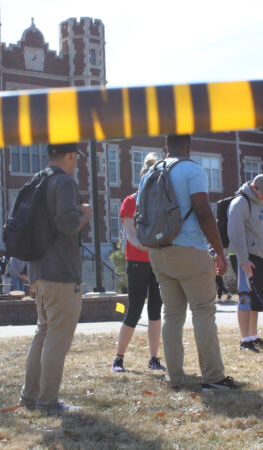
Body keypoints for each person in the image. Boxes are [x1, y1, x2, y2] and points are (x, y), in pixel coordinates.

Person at [139, 134, 239, 391]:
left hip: (158, 251)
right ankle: (213, 378)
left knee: (171, 315)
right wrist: (219, 251)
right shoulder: (192, 170)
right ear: (188, 147)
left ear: (165, 148)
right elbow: (205, 213)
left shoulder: (149, 173)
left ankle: (175, 378)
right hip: (189, 249)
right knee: (203, 311)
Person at [19, 142, 92, 414]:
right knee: (56, 340)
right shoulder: (63, 183)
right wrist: (85, 214)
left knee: (43, 334)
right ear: (71, 155)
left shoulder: (38, 180)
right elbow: (67, 224)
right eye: (77, 158)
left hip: (38, 271)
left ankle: (30, 396)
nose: (77, 163)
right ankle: (47, 402)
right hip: (61, 273)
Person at [112, 153, 166, 373]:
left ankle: (154, 358)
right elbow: (131, 235)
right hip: (137, 261)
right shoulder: (130, 201)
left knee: (156, 310)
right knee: (134, 310)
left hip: (157, 262)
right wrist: (147, 247)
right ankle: (118, 358)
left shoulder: (161, 202)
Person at [228, 174, 263, 353]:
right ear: (254, 187)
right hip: (244, 256)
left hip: (258, 257)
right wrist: (244, 260)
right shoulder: (240, 203)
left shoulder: (260, 203)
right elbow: (235, 233)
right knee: (245, 296)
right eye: (262, 192)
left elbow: (261, 232)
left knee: (256, 297)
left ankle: (253, 336)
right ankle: (244, 339)